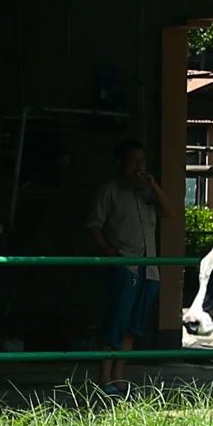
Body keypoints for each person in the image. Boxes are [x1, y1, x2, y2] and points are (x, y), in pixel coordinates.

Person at [88, 139, 174, 382]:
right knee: (116, 322)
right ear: (119, 164)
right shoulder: (109, 192)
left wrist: (154, 186)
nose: (139, 167)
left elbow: (169, 212)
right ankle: (104, 379)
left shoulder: (147, 192)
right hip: (126, 264)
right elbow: (93, 225)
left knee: (133, 327)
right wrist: (108, 251)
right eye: (133, 161)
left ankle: (118, 378)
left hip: (150, 268)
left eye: (142, 161)